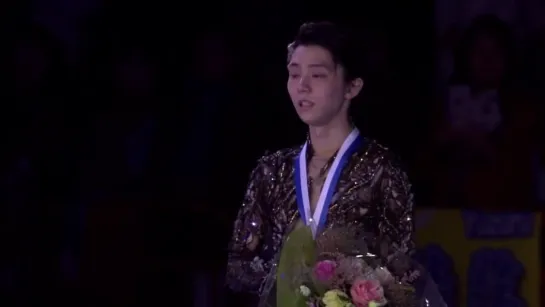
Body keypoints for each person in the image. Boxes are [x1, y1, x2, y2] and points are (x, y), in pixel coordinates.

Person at [226, 22, 415, 301]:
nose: (302, 86)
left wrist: (349, 283)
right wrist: (293, 277)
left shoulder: (381, 170)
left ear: (352, 87)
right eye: (293, 74)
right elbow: (237, 266)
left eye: (317, 75)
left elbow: (404, 271)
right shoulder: (271, 170)